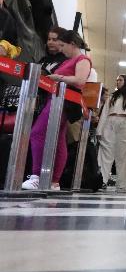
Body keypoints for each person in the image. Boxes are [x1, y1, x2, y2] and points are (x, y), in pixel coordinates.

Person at [22, 30, 92, 190]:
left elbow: (80, 81)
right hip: (56, 99)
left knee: (37, 133)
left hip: (63, 101)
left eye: (62, 45)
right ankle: (53, 181)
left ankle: (37, 176)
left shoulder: (82, 59)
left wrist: (57, 78)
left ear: (72, 44)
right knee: (59, 141)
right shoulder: (69, 60)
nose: (61, 49)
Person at [97, 75, 126, 190]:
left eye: (120, 80)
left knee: (123, 155)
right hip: (110, 122)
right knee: (106, 151)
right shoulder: (112, 97)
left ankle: (123, 183)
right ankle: (102, 180)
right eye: (117, 80)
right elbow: (104, 113)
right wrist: (99, 130)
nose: (117, 82)